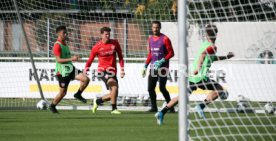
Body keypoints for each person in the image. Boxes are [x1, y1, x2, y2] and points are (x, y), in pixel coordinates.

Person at [155, 24, 234, 125]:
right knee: (220, 89)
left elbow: (213, 58)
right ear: (216, 34)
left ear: (206, 35)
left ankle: (161, 113)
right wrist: (199, 68)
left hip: (192, 77)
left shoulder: (205, 44)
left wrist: (227, 56)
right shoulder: (213, 46)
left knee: (181, 97)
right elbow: (203, 54)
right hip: (200, 77)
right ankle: (201, 106)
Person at [84, 27, 125, 114]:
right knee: (114, 85)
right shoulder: (97, 47)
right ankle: (114, 109)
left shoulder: (115, 43)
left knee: (113, 94)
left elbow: (121, 57)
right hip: (102, 71)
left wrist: (122, 69)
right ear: (101, 35)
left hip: (113, 71)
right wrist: (86, 69)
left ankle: (98, 101)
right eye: (106, 34)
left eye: (109, 34)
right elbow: (90, 60)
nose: (108, 36)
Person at [49, 25, 90, 114]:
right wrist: (72, 59)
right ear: (58, 34)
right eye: (64, 33)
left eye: (66, 32)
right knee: (62, 93)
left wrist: (75, 59)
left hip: (71, 69)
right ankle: (52, 105)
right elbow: (59, 60)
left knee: (86, 79)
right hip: (63, 73)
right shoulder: (57, 45)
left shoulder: (65, 44)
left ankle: (78, 94)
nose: (66, 34)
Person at [141, 21, 175, 112]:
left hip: (163, 68)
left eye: (157, 27)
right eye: (154, 27)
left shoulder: (165, 39)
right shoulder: (150, 39)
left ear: (160, 28)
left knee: (162, 88)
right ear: (151, 28)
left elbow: (171, 53)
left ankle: (171, 106)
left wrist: (162, 60)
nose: (155, 29)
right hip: (153, 67)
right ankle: (154, 107)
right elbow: (151, 54)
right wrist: (145, 66)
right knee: (150, 88)